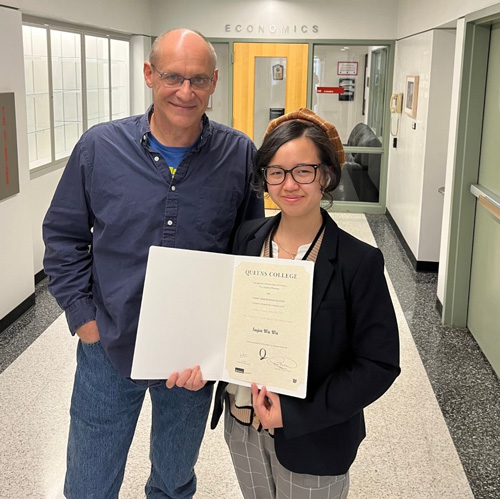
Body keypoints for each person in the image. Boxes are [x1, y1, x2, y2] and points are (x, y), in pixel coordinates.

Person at [42, 28, 264, 498]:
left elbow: (247, 251)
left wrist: (224, 346)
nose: (186, 92)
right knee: (89, 482)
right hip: (110, 345)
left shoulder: (238, 154)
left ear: (214, 82)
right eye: (173, 77)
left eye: (199, 80)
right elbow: (63, 237)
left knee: (173, 478)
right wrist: (85, 320)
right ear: (149, 75)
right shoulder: (100, 147)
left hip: (191, 358)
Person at [171, 108, 400, 499]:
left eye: (303, 171)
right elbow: (226, 321)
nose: (288, 184)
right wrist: (201, 363)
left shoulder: (357, 261)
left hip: (316, 437)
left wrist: (296, 415)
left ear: (326, 175)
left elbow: (378, 364)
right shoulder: (246, 239)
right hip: (241, 424)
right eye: (275, 172)